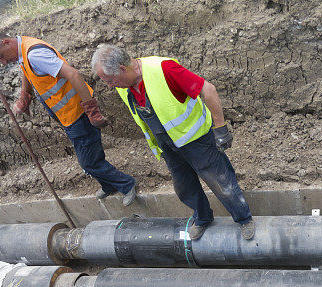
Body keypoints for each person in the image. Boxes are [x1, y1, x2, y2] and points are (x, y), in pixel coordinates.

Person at [90, 44, 255, 240]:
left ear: (122, 69)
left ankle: (244, 219)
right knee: (184, 188)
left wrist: (220, 128)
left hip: (197, 140)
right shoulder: (123, 86)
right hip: (168, 145)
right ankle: (202, 218)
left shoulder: (164, 69)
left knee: (222, 183)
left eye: (110, 80)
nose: (109, 85)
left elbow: (208, 90)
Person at [0, 32, 137, 206]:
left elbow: (74, 75)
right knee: (90, 156)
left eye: (1, 57)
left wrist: (92, 111)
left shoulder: (35, 54)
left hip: (78, 113)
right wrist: (25, 95)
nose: (3, 62)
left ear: (6, 42)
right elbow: (27, 72)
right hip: (68, 115)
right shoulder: (23, 50)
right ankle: (108, 185)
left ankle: (126, 185)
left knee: (88, 162)